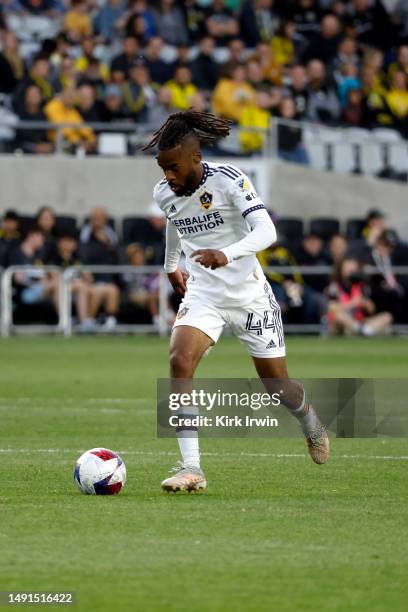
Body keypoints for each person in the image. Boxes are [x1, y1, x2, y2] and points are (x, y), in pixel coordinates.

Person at [142, 110, 329, 493]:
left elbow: (267, 231)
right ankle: (191, 468)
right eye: (163, 169)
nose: (168, 177)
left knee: (277, 386)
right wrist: (171, 265)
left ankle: (310, 421)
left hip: (250, 296)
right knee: (179, 361)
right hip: (205, 293)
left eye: (174, 168)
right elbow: (175, 223)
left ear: (195, 158)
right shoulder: (165, 193)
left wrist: (227, 254)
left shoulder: (229, 181)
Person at [327, 256, 393, 336]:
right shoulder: (335, 287)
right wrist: (352, 303)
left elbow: (371, 309)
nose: (350, 271)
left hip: (360, 321)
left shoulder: (362, 286)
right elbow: (331, 307)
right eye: (347, 267)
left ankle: (366, 331)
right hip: (344, 323)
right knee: (338, 316)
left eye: (353, 268)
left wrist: (364, 303)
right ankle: (359, 330)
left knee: (387, 316)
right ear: (341, 269)